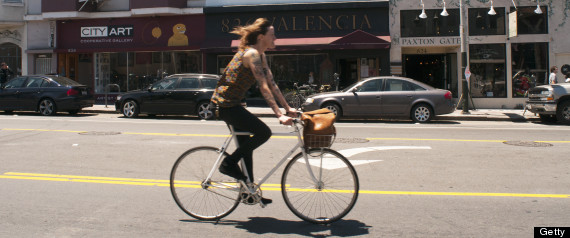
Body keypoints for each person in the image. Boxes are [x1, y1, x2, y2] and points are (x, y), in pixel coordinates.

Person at [211, 18, 296, 205]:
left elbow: (273, 85)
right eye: (272, 35)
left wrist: (288, 108)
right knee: (263, 132)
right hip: (225, 105)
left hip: (234, 104)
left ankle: (248, 191)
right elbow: (263, 87)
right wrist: (279, 115)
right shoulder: (251, 54)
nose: (276, 38)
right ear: (261, 36)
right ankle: (228, 164)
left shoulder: (261, 56)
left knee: (246, 149)